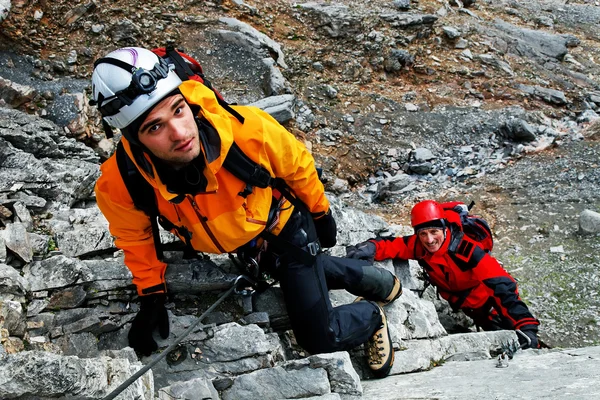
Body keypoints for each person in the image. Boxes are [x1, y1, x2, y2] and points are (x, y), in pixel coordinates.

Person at [90, 47, 402, 377]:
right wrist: (151, 295)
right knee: (290, 271)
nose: (180, 133)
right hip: (245, 244)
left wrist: (321, 214)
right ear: (133, 140)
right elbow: (134, 237)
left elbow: (298, 167)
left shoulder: (245, 129)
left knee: (319, 338)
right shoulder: (121, 182)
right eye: (155, 127)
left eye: (179, 110)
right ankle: (373, 278)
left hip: (285, 230)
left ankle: (370, 315)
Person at [346, 199, 541, 349]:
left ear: (444, 228)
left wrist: (526, 326)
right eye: (423, 233)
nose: (429, 240)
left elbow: (502, 285)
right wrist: (371, 247)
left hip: (492, 308)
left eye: (434, 232)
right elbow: (395, 245)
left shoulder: (467, 250)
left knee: (521, 342)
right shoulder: (419, 245)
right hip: (469, 308)